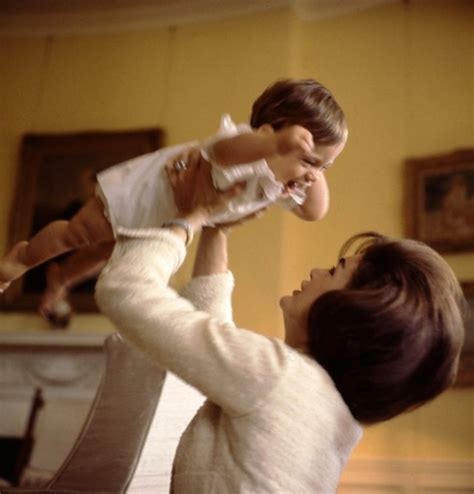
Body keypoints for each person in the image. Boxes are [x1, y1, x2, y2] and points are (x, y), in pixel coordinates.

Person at [95, 156, 465, 493]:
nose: (319, 270)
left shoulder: (278, 377)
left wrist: (186, 220)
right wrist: (214, 227)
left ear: (350, 317)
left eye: (336, 271)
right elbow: (213, 337)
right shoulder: (326, 411)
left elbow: (124, 289)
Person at [0, 78, 347, 305]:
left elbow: (315, 212)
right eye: (309, 161)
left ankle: (61, 278)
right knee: (78, 234)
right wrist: (274, 144)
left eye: (323, 167)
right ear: (271, 131)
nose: (312, 176)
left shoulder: (282, 183)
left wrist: (315, 168)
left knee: (104, 251)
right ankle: (24, 256)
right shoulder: (246, 148)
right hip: (143, 194)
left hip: (166, 220)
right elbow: (223, 153)